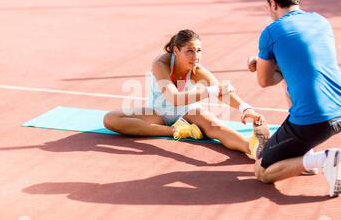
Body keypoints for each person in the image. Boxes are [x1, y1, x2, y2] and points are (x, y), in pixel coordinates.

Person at [244, 0, 341, 197]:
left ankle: (324, 159)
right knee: (294, 79)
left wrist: (262, 65)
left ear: (273, 3)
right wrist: (277, 65)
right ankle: (308, 154)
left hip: (315, 121)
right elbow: (305, 64)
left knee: (261, 171)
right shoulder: (321, 21)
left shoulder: (271, 32)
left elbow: (264, 81)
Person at [104, 29, 266, 155]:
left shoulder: (196, 70)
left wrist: (246, 108)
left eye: (199, 51)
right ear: (176, 50)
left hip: (188, 113)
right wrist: (211, 90)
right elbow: (174, 98)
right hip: (158, 112)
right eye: (190, 51)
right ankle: (180, 130)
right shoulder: (161, 64)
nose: (195, 56)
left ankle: (253, 148)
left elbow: (222, 92)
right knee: (110, 119)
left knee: (216, 128)